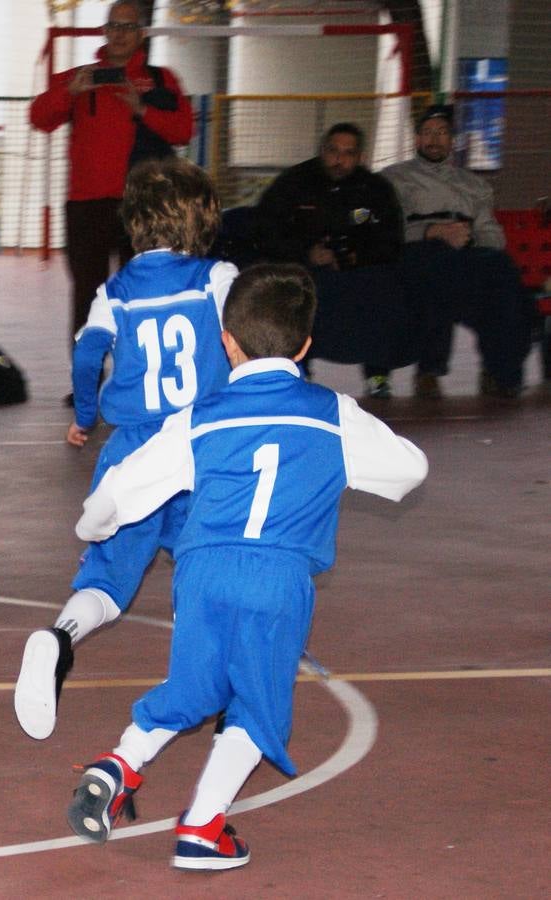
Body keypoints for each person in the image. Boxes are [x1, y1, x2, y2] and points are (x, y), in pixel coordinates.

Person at [64, 264, 427, 870]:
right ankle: (202, 828)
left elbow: (113, 497)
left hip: (201, 572)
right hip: (277, 578)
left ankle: (121, 762)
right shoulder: (330, 412)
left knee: (195, 686)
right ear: (307, 345)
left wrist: (94, 529)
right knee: (256, 709)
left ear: (226, 340)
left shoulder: (201, 417)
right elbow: (411, 469)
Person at [14, 157, 236, 741]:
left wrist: (85, 417)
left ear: (133, 224)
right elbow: (250, 343)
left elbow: (87, 356)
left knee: (108, 581)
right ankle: (214, 691)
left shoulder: (112, 291)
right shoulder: (216, 278)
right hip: (199, 451)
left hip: (132, 453)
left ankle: (59, 638)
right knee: (207, 567)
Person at [29, 0, 194, 401]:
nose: (119, 33)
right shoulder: (81, 78)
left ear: (140, 34)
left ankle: (138, 377)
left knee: (143, 294)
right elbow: (39, 116)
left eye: (127, 26)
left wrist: (143, 110)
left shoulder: (159, 80)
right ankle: (85, 381)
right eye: (113, 25)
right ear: (104, 32)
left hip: (143, 206)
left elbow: (184, 129)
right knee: (86, 296)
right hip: (86, 204)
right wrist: (69, 92)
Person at [383, 104, 530, 399]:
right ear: (416, 139)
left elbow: (491, 231)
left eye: (441, 133)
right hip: (418, 250)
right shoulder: (393, 179)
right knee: (438, 264)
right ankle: (430, 370)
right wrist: (433, 231)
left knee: (502, 272)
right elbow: (388, 230)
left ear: (452, 140)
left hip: (466, 252)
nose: (434, 139)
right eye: (427, 133)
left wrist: (471, 242)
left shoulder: (474, 185)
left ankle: (502, 372)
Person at [255, 122, 409, 398]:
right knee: (294, 291)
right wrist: (306, 253)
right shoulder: (293, 182)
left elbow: (391, 240)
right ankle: (300, 367)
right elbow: (266, 232)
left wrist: (354, 257)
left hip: (358, 270)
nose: (339, 159)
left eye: (348, 153)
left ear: (360, 157)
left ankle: (377, 374)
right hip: (303, 268)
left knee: (386, 285)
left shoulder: (376, 188)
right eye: (333, 151)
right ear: (322, 150)